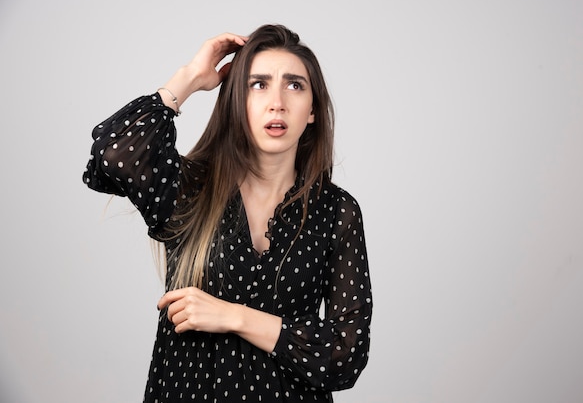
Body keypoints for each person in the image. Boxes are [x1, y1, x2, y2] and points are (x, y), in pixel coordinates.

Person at [83, 24, 372, 402]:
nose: (277, 102)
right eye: (259, 84)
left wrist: (234, 316)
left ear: (313, 110)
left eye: (295, 85)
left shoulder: (336, 212)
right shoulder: (189, 189)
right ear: (237, 101)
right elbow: (113, 154)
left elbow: (344, 355)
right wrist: (188, 79)